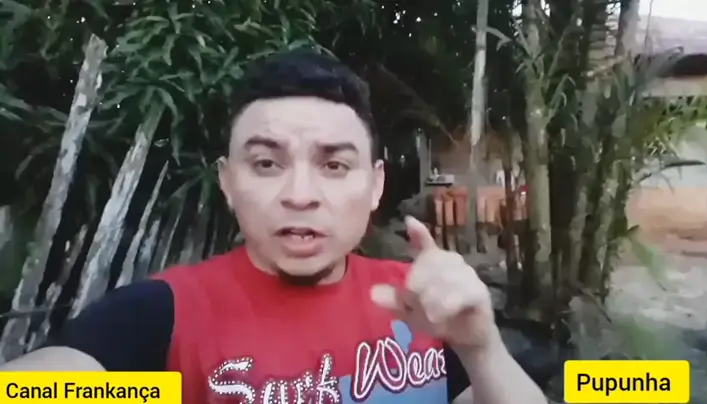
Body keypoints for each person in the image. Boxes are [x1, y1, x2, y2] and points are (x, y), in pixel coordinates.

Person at [1, 49, 546, 404]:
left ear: (376, 185)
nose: (300, 195)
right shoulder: (162, 315)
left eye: (334, 165)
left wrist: (482, 348)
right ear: (228, 181)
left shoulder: (425, 306)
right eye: (266, 163)